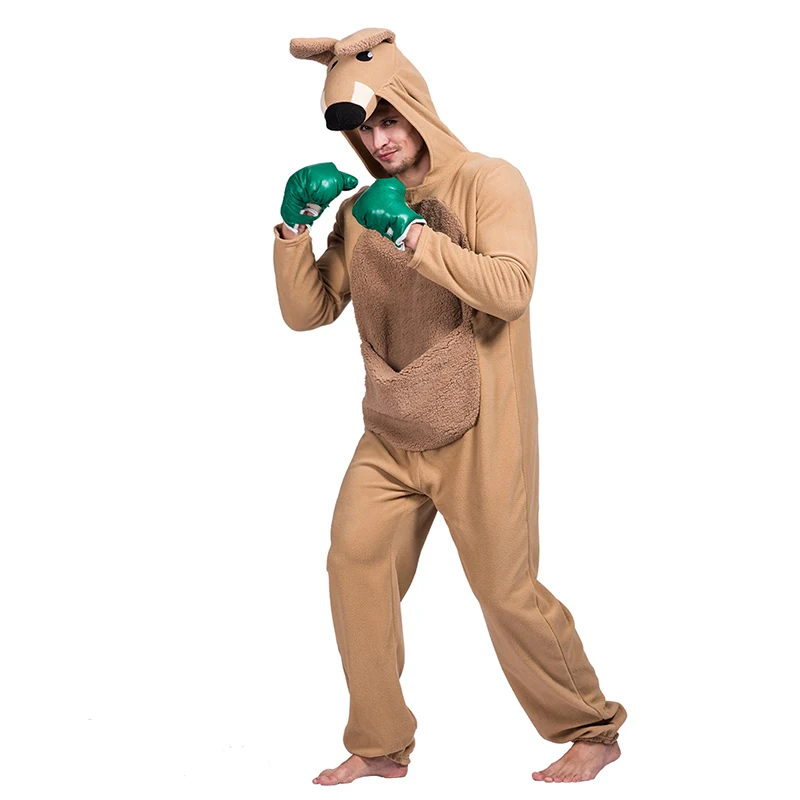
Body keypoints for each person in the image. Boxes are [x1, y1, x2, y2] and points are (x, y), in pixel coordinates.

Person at [273, 28, 627, 786]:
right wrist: (295, 230)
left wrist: (412, 234)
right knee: (354, 564)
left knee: (505, 589)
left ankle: (591, 729)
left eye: (389, 119)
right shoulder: (359, 209)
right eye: (366, 129)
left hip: (481, 424)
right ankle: (379, 743)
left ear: (416, 106)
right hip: (393, 424)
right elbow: (309, 313)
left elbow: (512, 290)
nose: (380, 140)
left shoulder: (489, 181)